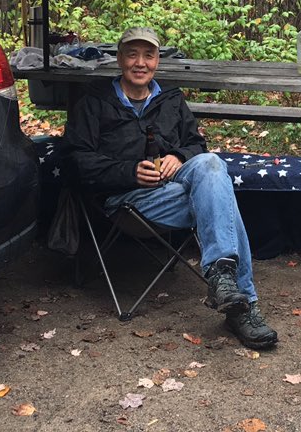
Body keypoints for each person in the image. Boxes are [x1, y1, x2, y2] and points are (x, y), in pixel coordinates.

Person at [66, 26, 277, 349]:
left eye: (148, 55)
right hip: (129, 201)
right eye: (132, 55)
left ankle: (222, 278)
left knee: (211, 165)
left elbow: (196, 145)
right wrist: (129, 172)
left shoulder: (171, 99)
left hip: (176, 186)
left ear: (157, 61)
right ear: (119, 59)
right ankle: (243, 305)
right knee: (220, 196)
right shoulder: (94, 101)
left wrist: (178, 156)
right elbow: (75, 161)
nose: (140, 63)